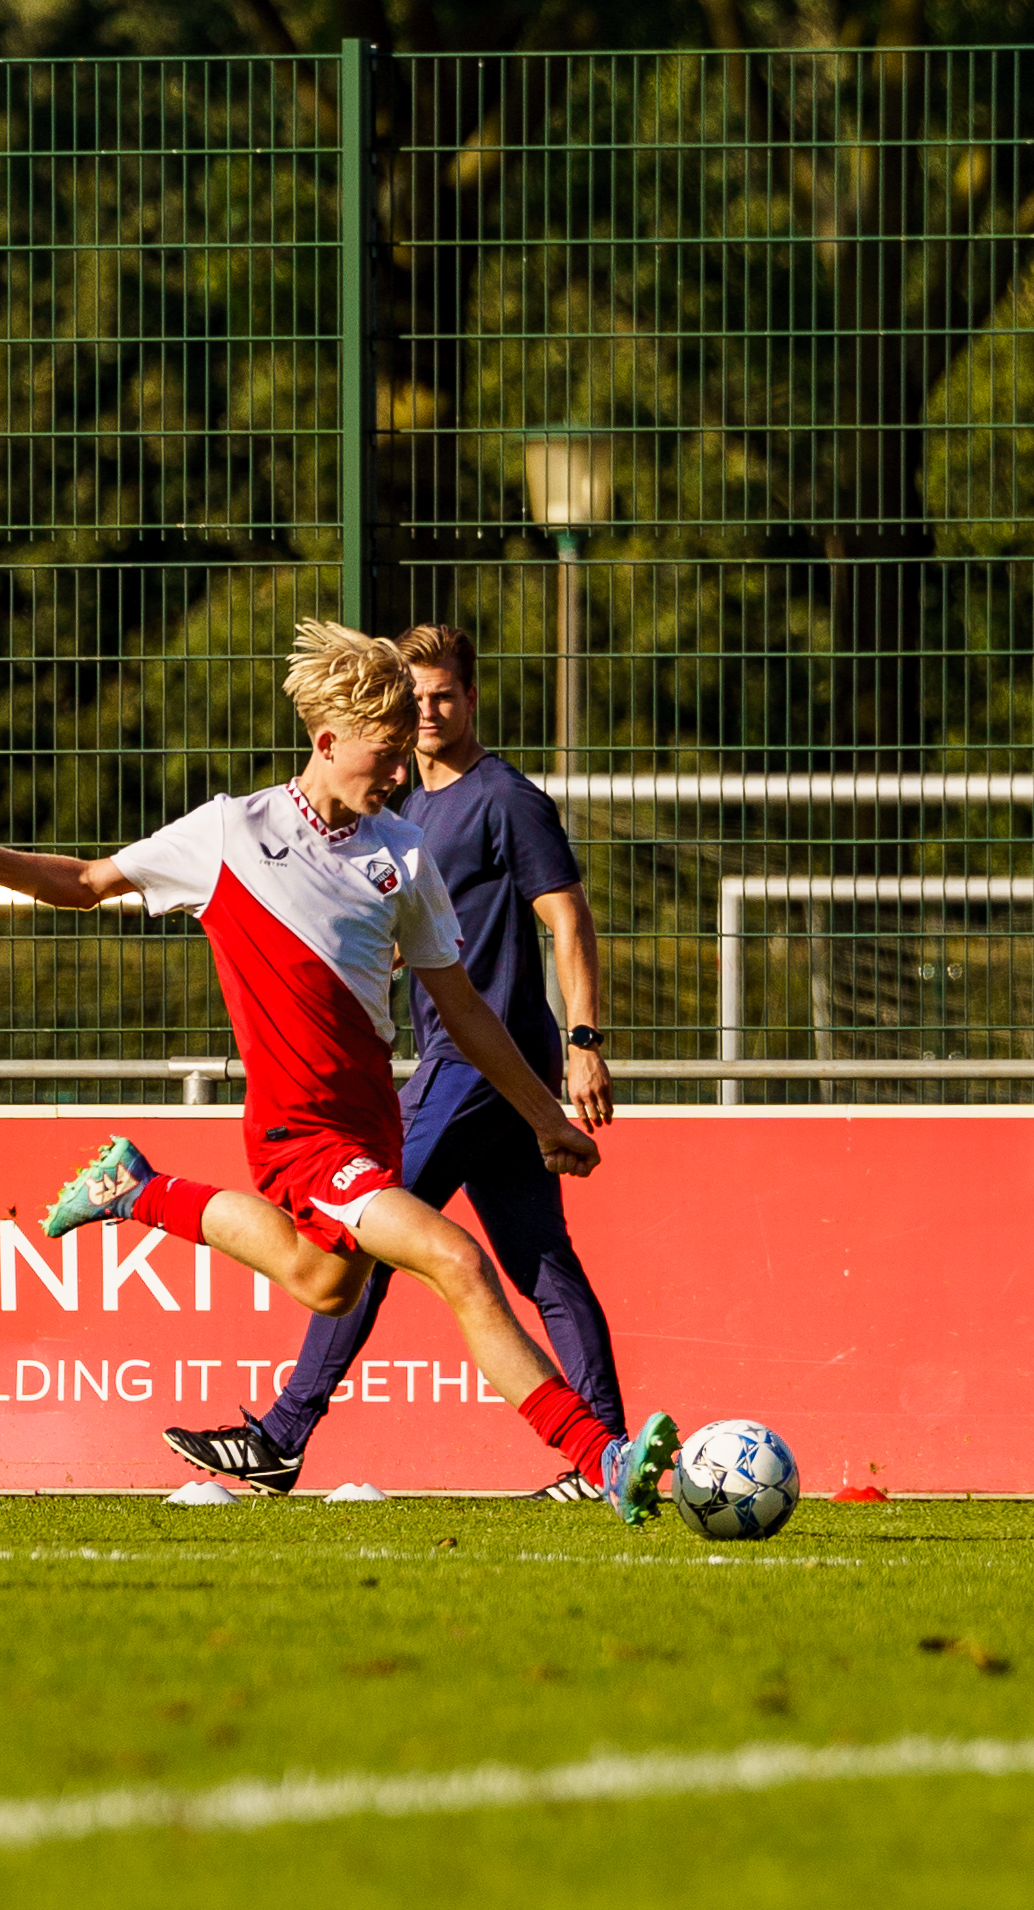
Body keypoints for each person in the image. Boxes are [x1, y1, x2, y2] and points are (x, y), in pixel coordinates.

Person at [0, 617, 681, 1522]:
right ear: (327, 740)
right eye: (385, 752)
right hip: (299, 1133)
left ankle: (139, 1189)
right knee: (456, 1258)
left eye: (405, 752)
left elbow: (464, 1007)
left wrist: (544, 1114)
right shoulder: (228, 832)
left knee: (325, 1281)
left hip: (370, 1126)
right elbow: (84, 882)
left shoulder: (402, 854)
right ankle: (600, 1455)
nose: (399, 772)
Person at [162, 623, 629, 1500]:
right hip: (475, 1064)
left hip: (478, 1059)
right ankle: (607, 1453)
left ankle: (281, 1434)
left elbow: (566, 916)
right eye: (414, 700)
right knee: (540, 1260)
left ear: (471, 698)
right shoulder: (398, 810)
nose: (427, 713)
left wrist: (583, 1041)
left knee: (366, 1233)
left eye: (442, 696)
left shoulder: (504, 799)